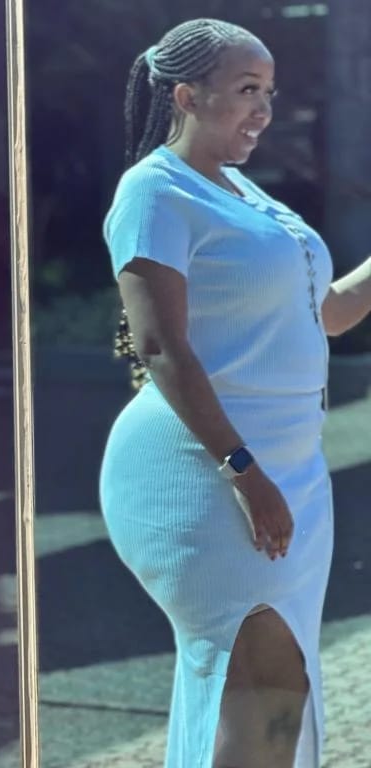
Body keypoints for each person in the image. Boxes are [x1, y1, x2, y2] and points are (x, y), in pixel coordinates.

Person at [100, 18, 371, 768]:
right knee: (257, 679)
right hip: (205, 467)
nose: (264, 110)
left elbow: (323, 314)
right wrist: (245, 471)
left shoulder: (246, 192)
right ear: (187, 96)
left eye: (270, 93)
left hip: (292, 466)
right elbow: (160, 346)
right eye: (248, 89)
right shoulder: (154, 190)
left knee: (278, 690)